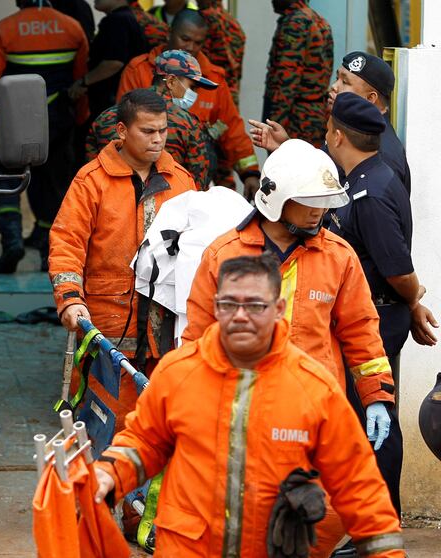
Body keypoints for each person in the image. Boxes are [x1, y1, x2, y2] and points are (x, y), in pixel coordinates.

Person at [93, 254, 405, 557]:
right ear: (216, 307)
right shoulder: (178, 374)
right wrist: (108, 475)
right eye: (229, 304)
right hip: (187, 548)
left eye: (255, 305)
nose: (240, 315)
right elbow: (143, 443)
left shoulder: (313, 388)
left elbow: (358, 484)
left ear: (279, 308)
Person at [183, 139, 398, 551]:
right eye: (311, 200)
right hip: (240, 413)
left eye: (326, 199)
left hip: (313, 413)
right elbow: (196, 339)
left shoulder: (338, 257)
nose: (321, 210)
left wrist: (376, 397)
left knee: (326, 514)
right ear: (277, 200)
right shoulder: (223, 256)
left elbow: (361, 332)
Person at [49, 88, 197, 431]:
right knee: (105, 427)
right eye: (147, 131)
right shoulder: (91, 182)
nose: (158, 139)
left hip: (165, 331)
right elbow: (66, 242)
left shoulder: (182, 182)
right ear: (121, 131)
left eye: (162, 130)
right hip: (108, 327)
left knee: (162, 428)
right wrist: (70, 299)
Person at [324, 92, 438, 516]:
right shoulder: (370, 176)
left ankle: (379, 519)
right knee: (367, 417)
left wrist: (413, 302)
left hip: (374, 319)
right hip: (374, 313)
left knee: (375, 420)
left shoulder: (368, 194)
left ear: (337, 136)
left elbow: (398, 270)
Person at [0, 0, 89, 273]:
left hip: (16, 120)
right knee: (54, 187)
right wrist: (80, 119)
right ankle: (49, 254)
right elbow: (81, 78)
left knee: (6, 178)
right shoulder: (72, 27)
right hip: (58, 119)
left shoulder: (5, 29)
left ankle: (11, 242)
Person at [117, 10, 260, 198]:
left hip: (194, 183)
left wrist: (249, 173)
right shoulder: (139, 70)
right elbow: (122, 125)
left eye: (198, 42)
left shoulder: (213, 78)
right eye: (185, 39)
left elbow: (231, 128)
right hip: (144, 175)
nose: (190, 47)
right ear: (169, 33)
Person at [252, 51, 412, 196]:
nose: (334, 87)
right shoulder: (349, 129)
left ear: (370, 98)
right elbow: (323, 172)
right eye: (337, 78)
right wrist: (286, 147)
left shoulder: (383, 152)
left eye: (345, 82)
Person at [85, 50, 215, 190]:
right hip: (166, 206)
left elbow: (91, 173)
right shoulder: (189, 124)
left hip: (111, 203)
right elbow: (196, 186)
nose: (195, 94)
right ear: (170, 82)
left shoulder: (106, 117)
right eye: (192, 87)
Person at [262, 0, 334, 148]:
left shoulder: (295, 23)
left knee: (288, 167)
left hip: (295, 118)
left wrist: (274, 123)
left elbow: (287, 79)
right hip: (316, 115)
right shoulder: (320, 21)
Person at [69, 0, 148, 122]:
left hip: (112, 102)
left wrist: (84, 82)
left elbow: (114, 62)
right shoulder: (127, 18)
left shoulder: (117, 20)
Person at [197, 0, 246, 106]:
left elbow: (197, 59)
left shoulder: (205, 19)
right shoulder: (233, 22)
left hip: (207, 93)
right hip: (230, 93)